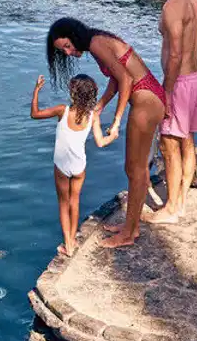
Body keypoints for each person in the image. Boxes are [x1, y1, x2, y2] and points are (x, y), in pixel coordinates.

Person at [46, 17, 165, 248]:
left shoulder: (95, 43)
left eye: (68, 46)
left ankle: (129, 234)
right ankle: (132, 226)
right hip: (148, 97)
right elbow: (116, 77)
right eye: (64, 51)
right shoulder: (98, 40)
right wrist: (101, 104)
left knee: (135, 169)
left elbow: (126, 79)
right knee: (135, 169)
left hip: (145, 99)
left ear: (76, 35)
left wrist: (117, 119)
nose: (69, 53)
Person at [148, 0, 197, 225]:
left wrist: (168, 92)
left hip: (179, 82)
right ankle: (181, 202)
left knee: (169, 144)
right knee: (188, 141)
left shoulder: (171, 7)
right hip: (194, 77)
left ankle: (171, 209)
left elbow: (174, 55)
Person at [30, 73, 119, 256]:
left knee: (63, 203)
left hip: (62, 166)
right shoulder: (93, 115)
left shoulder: (63, 110)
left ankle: (68, 245)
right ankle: (72, 239)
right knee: (75, 201)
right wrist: (113, 136)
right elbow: (101, 142)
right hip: (80, 166)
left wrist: (36, 90)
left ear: (73, 94)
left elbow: (35, 114)